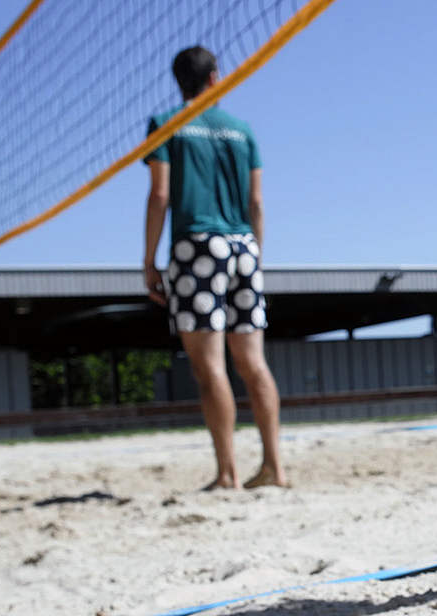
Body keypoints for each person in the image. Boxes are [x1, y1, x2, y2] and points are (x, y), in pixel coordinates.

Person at [143, 46, 288, 489]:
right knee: (253, 362)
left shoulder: (168, 123)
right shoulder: (242, 131)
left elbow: (161, 195)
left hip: (198, 244)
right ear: (215, 78)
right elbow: (257, 202)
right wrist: (256, 255)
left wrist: (149, 261)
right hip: (244, 245)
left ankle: (228, 473)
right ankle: (274, 468)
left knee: (210, 368)